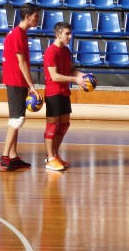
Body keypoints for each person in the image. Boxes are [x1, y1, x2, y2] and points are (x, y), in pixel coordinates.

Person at [0, 2, 41, 170]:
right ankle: (4, 156)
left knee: (16, 119)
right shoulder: (17, 34)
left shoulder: (21, 33)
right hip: (15, 80)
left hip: (17, 80)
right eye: (36, 16)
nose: (38, 19)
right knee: (17, 119)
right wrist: (32, 86)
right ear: (27, 17)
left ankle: (13, 156)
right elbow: (21, 63)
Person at [43, 22, 85, 171]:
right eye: (67, 33)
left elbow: (70, 70)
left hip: (64, 92)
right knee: (52, 126)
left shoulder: (66, 51)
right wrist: (75, 80)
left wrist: (83, 75)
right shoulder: (50, 52)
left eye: (70, 33)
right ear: (58, 34)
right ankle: (50, 158)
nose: (70, 36)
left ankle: (55, 155)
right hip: (53, 93)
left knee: (64, 125)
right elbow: (54, 76)